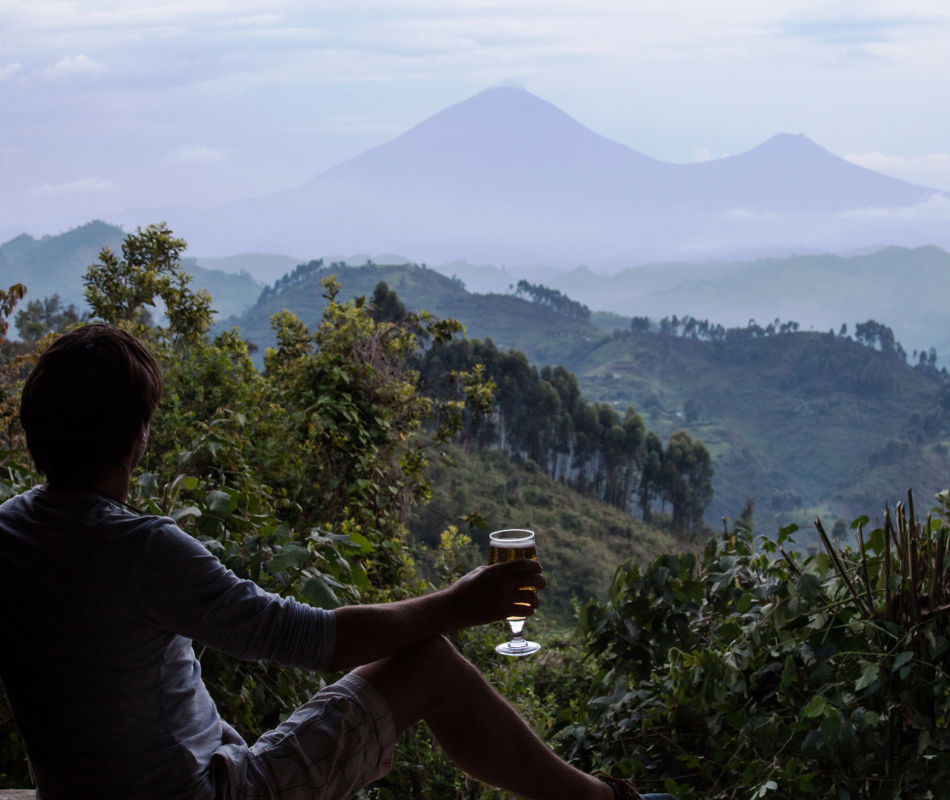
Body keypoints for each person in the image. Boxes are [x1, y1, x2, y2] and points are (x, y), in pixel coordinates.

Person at [0, 324, 672, 800]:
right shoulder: (139, 548)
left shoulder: (11, 529)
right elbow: (314, 640)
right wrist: (462, 604)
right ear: (136, 437)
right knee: (429, 664)